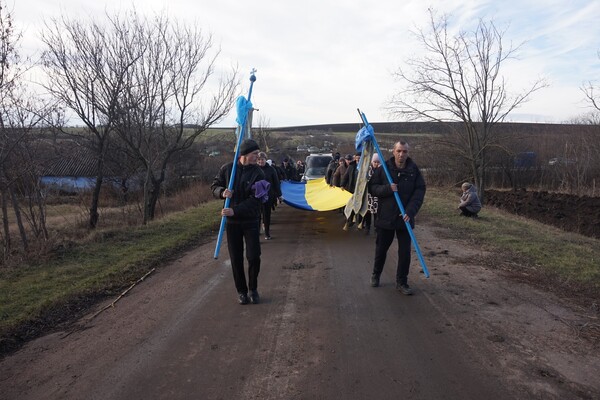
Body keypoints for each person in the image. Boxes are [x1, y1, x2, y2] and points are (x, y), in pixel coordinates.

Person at [211, 139, 267, 305]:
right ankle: (241, 291)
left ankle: (253, 289)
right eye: (254, 154)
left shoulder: (259, 173)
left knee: (254, 256)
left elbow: (256, 200)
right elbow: (214, 186)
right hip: (232, 223)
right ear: (243, 154)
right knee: (236, 258)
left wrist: (236, 210)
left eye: (258, 154)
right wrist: (221, 192)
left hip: (250, 220)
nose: (257, 157)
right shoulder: (228, 169)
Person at [368, 141, 426, 295]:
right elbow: (372, 188)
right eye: (399, 151)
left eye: (405, 151)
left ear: (408, 152)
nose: (402, 154)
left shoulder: (414, 171)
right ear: (393, 151)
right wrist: (388, 188)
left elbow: (419, 192)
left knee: (405, 253)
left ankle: (402, 282)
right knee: (381, 249)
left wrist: (411, 211)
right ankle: (376, 274)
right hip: (385, 217)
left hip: (405, 218)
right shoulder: (383, 169)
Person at [257, 152, 282, 239]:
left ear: (265, 159)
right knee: (256, 215)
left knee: (266, 214)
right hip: (256, 197)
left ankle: (267, 232)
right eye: (259, 160)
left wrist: (279, 195)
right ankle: (257, 232)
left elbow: (276, 183)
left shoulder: (271, 170)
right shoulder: (254, 169)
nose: (260, 161)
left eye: (262, 159)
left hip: (268, 196)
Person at [361, 153, 381, 235]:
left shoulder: (381, 170)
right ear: (372, 162)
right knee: (368, 212)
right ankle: (367, 227)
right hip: (369, 195)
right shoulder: (368, 170)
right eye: (375, 162)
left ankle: (377, 228)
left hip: (377, 195)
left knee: (377, 213)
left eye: (377, 162)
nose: (376, 164)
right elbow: (365, 180)